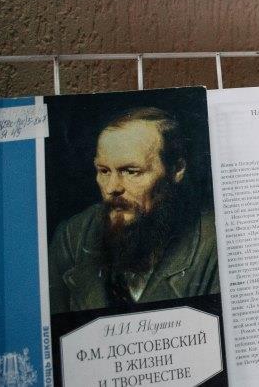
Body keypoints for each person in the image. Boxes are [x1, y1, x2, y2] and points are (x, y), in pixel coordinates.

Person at [49, 107, 219, 312]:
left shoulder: (214, 245)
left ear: (176, 169)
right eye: (104, 171)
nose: (112, 188)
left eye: (131, 171)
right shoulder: (73, 236)